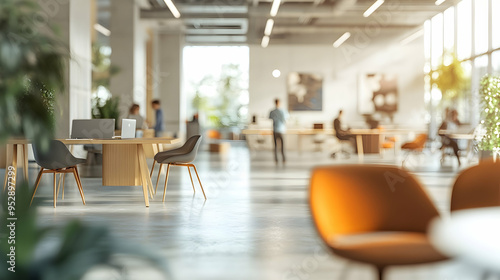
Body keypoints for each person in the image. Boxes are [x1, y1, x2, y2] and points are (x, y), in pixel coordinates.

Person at [269, 99, 288, 164]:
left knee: (275, 146)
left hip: (275, 130)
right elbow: (286, 119)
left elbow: (270, 118)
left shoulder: (272, 111)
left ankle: (276, 160)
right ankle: (284, 159)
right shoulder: (283, 111)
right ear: (279, 103)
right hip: (281, 130)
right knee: (282, 146)